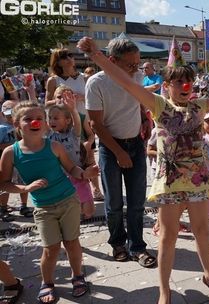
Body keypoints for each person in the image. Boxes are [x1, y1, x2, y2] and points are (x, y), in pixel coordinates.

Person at [78, 35, 209, 304]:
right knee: (168, 238)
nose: (185, 85)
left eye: (187, 80)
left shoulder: (200, 106)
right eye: (178, 81)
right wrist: (97, 56)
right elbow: (122, 80)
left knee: (203, 231)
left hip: (198, 180)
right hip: (169, 181)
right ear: (166, 85)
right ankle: (164, 290)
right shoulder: (158, 105)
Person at [0, 102, 98, 304]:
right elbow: (5, 183)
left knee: (72, 243)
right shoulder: (11, 153)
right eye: (28, 118)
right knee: (50, 249)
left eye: (39, 118)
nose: (34, 121)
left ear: (44, 124)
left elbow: (72, 169)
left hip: (68, 200)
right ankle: (47, 282)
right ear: (16, 123)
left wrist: (84, 174)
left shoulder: (54, 146)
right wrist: (25, 189)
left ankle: (78, 276)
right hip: (43, 208)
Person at [84, 38, 156, 268]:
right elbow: (96, 125)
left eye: (138, 64)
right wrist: (118, 152)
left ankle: (137, 246)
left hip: (135, 144)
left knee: (136, 201)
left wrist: (144, 118)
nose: (137, 70)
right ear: (112, 61)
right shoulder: (96, 83)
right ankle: (118, 243)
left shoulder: (136, 77)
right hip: (109, 147)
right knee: (114, 202)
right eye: (131, 65)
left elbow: (138, 102)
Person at [45, 48, 104, 201]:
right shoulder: (53, 80)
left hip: (82, 120)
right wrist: (60, 100)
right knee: (66, 160)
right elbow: (46, 103)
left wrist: (81, 97)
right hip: (63, 124)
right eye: (64, 57)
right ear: (57, 61)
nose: (69, 58)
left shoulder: (84, 77)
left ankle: (95, 190)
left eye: (70, 55)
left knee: (89, 156)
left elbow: (94, 98)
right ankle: (70, 192)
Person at [48, 89, 95, 220]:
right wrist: (31, 94)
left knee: (89, 212)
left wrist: (73, 109)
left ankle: (83, 211)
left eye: (56, 118)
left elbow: (77, 123)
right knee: (69, 206)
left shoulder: (73, 135)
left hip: (78, 175)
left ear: (67, 120)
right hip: (60, 177)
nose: (52, 121)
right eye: (50, 118)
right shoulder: (50, 136)